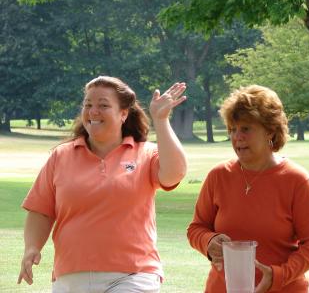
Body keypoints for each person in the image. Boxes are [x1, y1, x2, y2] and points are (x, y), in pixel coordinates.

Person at [17, 76, 188, 292]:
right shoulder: (60, 156)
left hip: (133, 274)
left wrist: (161, 120)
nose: (93, 111)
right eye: (88, 105)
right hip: (70, 276)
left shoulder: (145, 153)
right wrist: (32, 247)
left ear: (123, 114)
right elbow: (41, 211)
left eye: (103, 105)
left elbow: (174, 174)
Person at [187, 85, 309, 293]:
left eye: (246, 129)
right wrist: (209, 242)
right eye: (233, 129)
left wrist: (279, 276)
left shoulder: (297, 180)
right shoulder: (218, 176)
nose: (237, 137)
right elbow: (196, 229)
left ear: (270, 130)